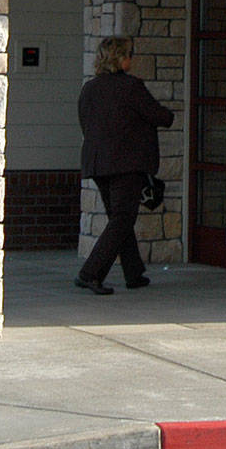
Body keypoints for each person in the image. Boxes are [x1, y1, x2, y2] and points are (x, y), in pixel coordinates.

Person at [74, 35, 173, 295]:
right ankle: (90, 273)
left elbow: (85, 122)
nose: (133, 58)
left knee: (120, 218)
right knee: (122, 218)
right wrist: (168, 114)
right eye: (129, 54)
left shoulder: (90, 88)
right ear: (121, 58)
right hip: (125, 163)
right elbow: (159, 115)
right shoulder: (130, 87)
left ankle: (134, 273)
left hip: (98, 162)